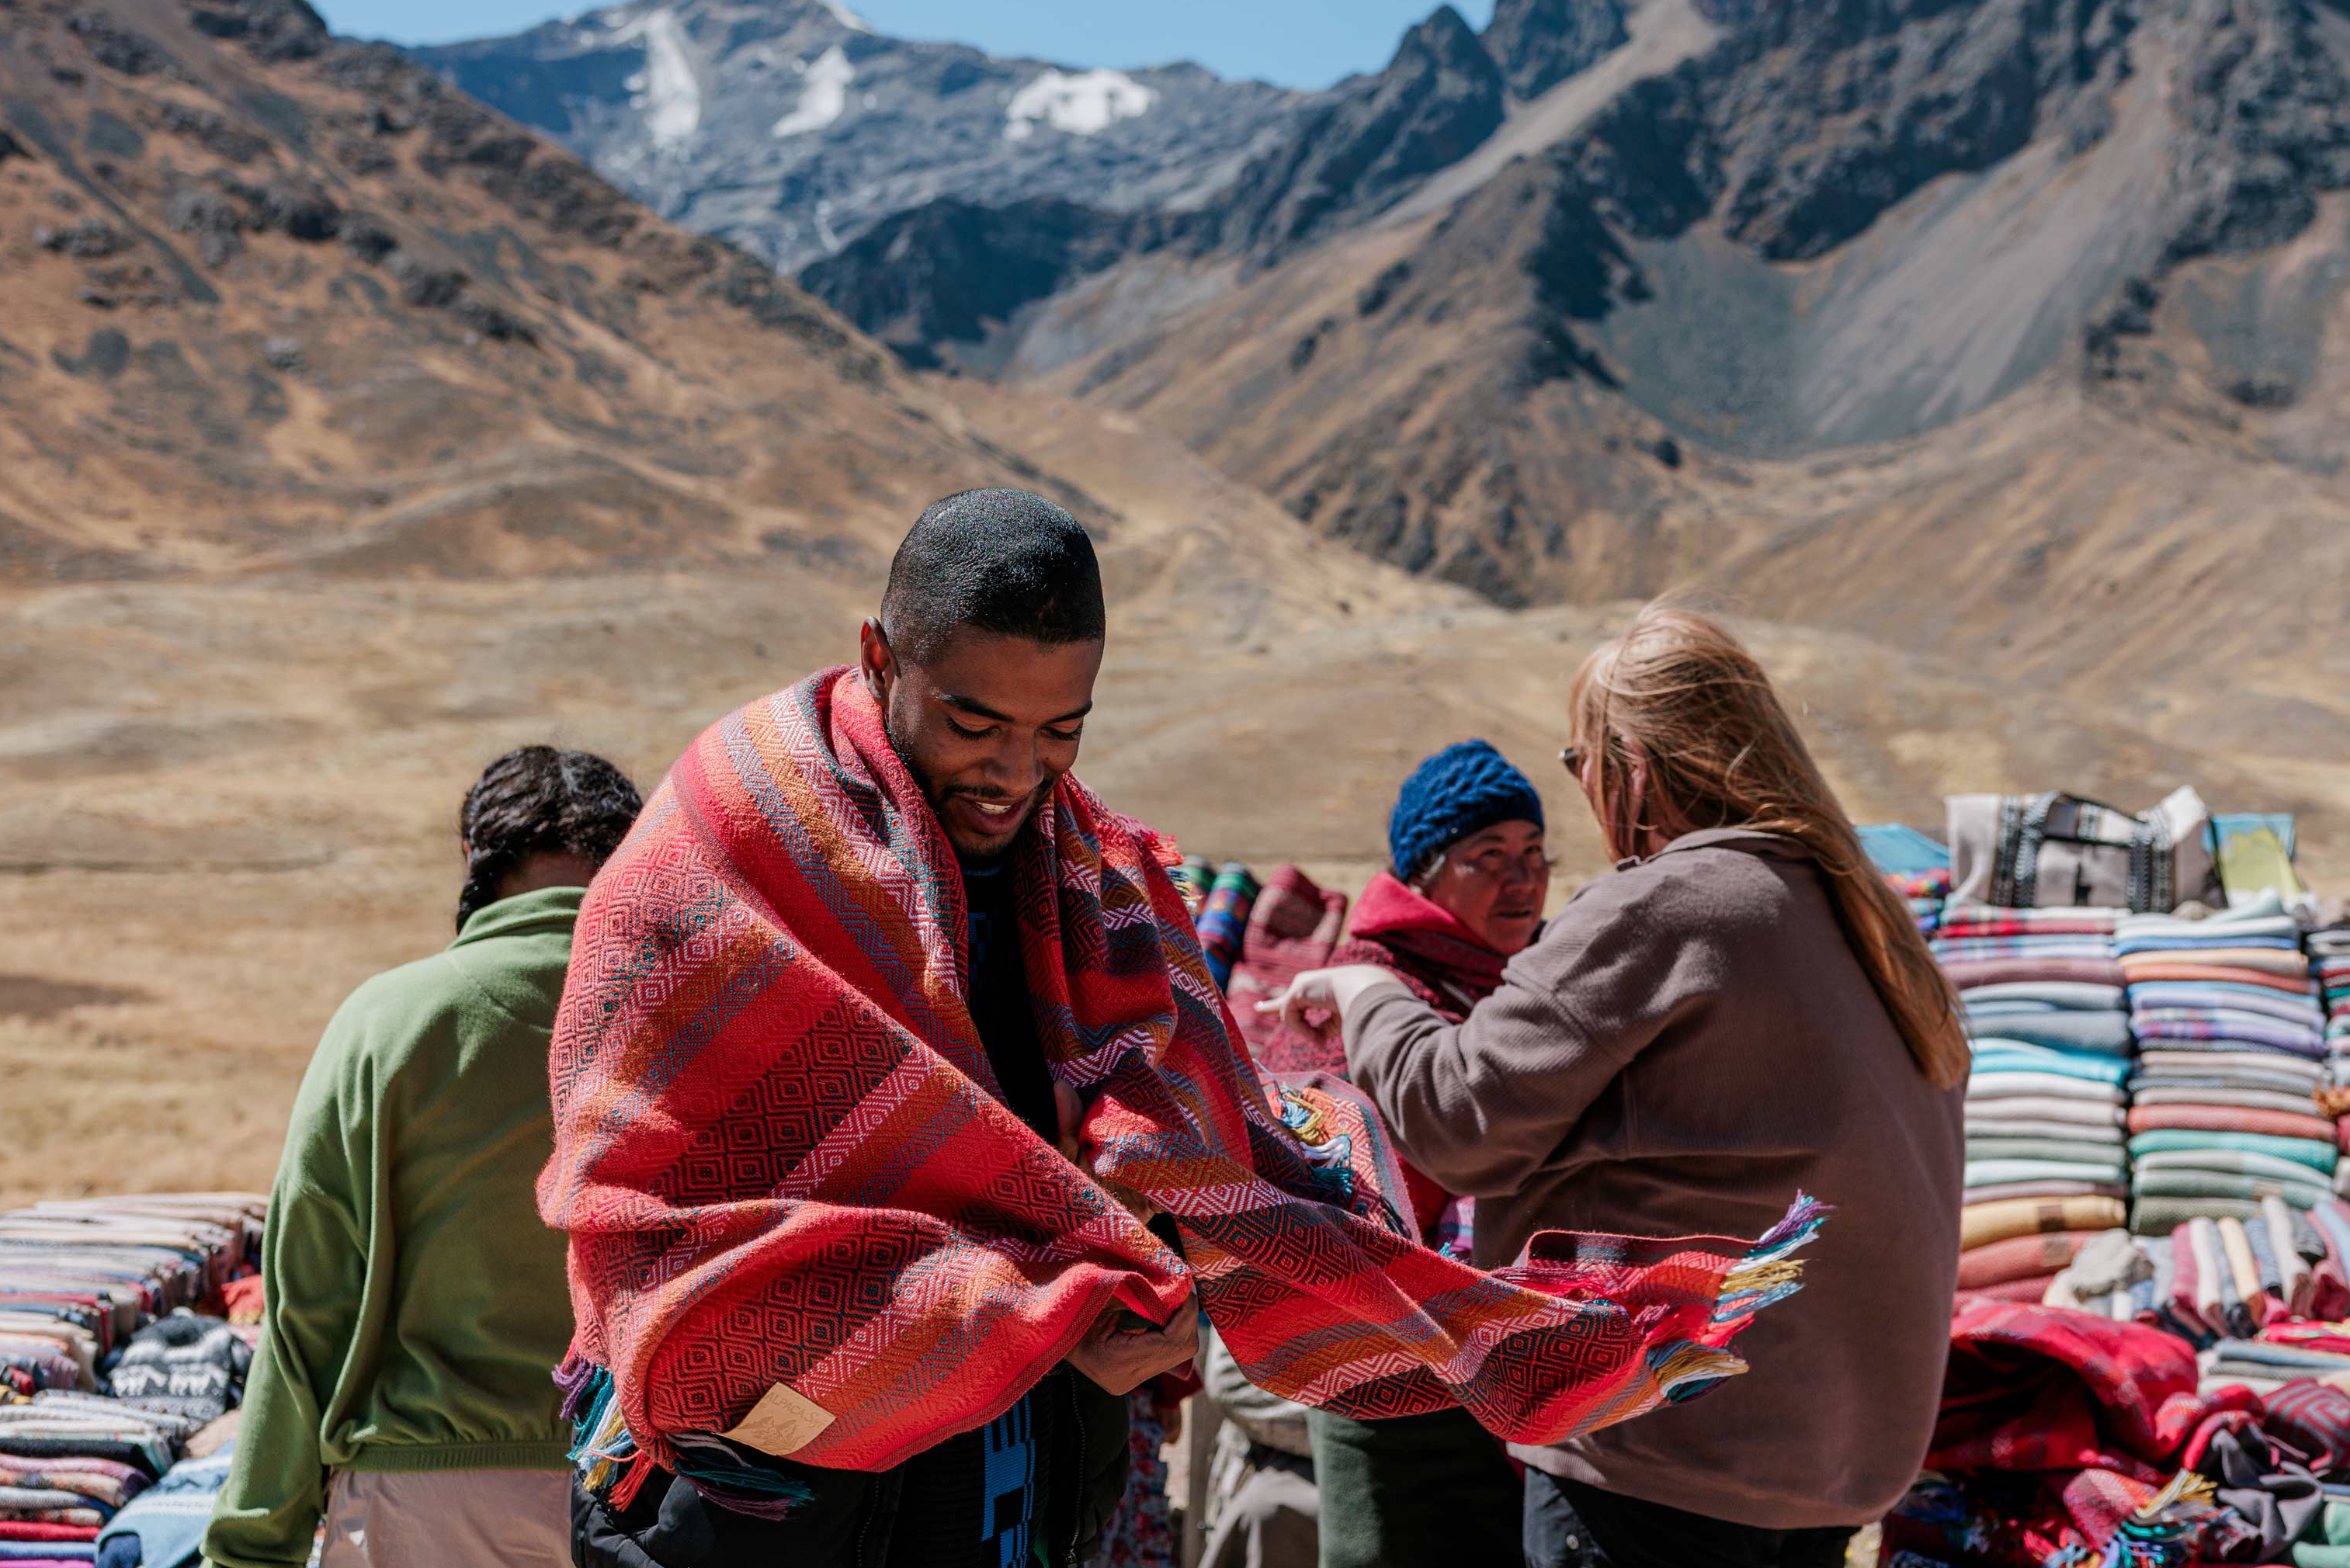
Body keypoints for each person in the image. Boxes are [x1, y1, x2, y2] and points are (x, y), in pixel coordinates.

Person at [541, 494, 1835, 1568]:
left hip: (1029, 1481)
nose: (1013, 774)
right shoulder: (724, 856)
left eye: (1061, 732)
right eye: (975, 723)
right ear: (880, 659)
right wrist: (1025, 1310)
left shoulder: (1089, 880)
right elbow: (653, 1218)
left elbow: (1162, 1146)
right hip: (776, 1503)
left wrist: (1152, 1272)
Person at [1264, 604, 1969, 1568]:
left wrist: (1366, 990)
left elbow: (1455, 1117)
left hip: (1665, 1463)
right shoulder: (1861, 913)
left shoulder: (1680, 904)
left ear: (1630, 765)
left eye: (1579, 764)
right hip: (1826, 1471)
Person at [203, 745, 644, 1568]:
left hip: (423, 1511)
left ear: (475, 859)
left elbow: (309, 1305)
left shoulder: (386, 1022)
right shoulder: (699, 1017)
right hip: (649, 1497)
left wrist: (252, 1543)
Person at [1244, 741, 1546, 1568]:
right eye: (1489, 857)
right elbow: (1321, 1184)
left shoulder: (1533, 982)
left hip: (1509, 1371)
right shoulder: (1363, 993)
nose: (1522, 879)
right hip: (1383, 1367)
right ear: (1425, 872)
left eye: (1533, 854)